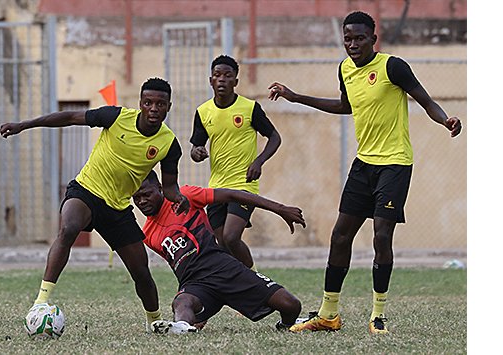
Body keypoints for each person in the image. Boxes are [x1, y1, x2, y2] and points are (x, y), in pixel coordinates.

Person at [268, 11, 462, 334]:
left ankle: (378, 316)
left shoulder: (392, 67)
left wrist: (445, 120)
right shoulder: (345, 69)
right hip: (364, 163)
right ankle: (329, 314)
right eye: (348, 38)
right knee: (340, 235)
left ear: (374, 38)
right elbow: (347, 106)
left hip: (395, 163)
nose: (353, 44)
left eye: (360, 38)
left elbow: (424, 100)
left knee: (381, 235)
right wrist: (296, 96)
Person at [0, 77, 191, 332]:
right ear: (141, 104)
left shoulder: (169, 144)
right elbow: (69, 118)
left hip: (118, 208)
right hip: (86, 190)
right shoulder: (115, 117)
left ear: (169, 106)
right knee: (68, 228)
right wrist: (24, 125)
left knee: (141, 271)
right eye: (148, 102)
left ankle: (154, 321)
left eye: (160, 104)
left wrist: (178, 198)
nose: (154, 108)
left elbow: (169, 187)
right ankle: (40, 303)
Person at [132, 170, 306, 334]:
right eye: (136, 197)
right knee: (181, 302)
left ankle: (285, 325)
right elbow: (178, 263)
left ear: (160, 189)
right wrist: (197, 308)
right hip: (196, 283)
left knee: (291, 305)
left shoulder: (185, 196)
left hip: (224, 268)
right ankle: (182, 327)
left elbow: (232, 195)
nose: (142, 201)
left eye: (146, 194)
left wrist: (280, 209)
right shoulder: (147, 234)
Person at [190, 55, 282, 271]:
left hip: (244, 184)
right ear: (210, 80)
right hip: (217, 186)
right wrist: (198, 152)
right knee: (222, 244)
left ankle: (255, 277)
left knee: (232, 237)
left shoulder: (250, 108)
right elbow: (195, 148)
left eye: (227, 75)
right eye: (217, 75)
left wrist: (259, 161)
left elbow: (275, 137)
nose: (222, 79)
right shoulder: (203, 112)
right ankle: (240, 285)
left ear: (235, 82)